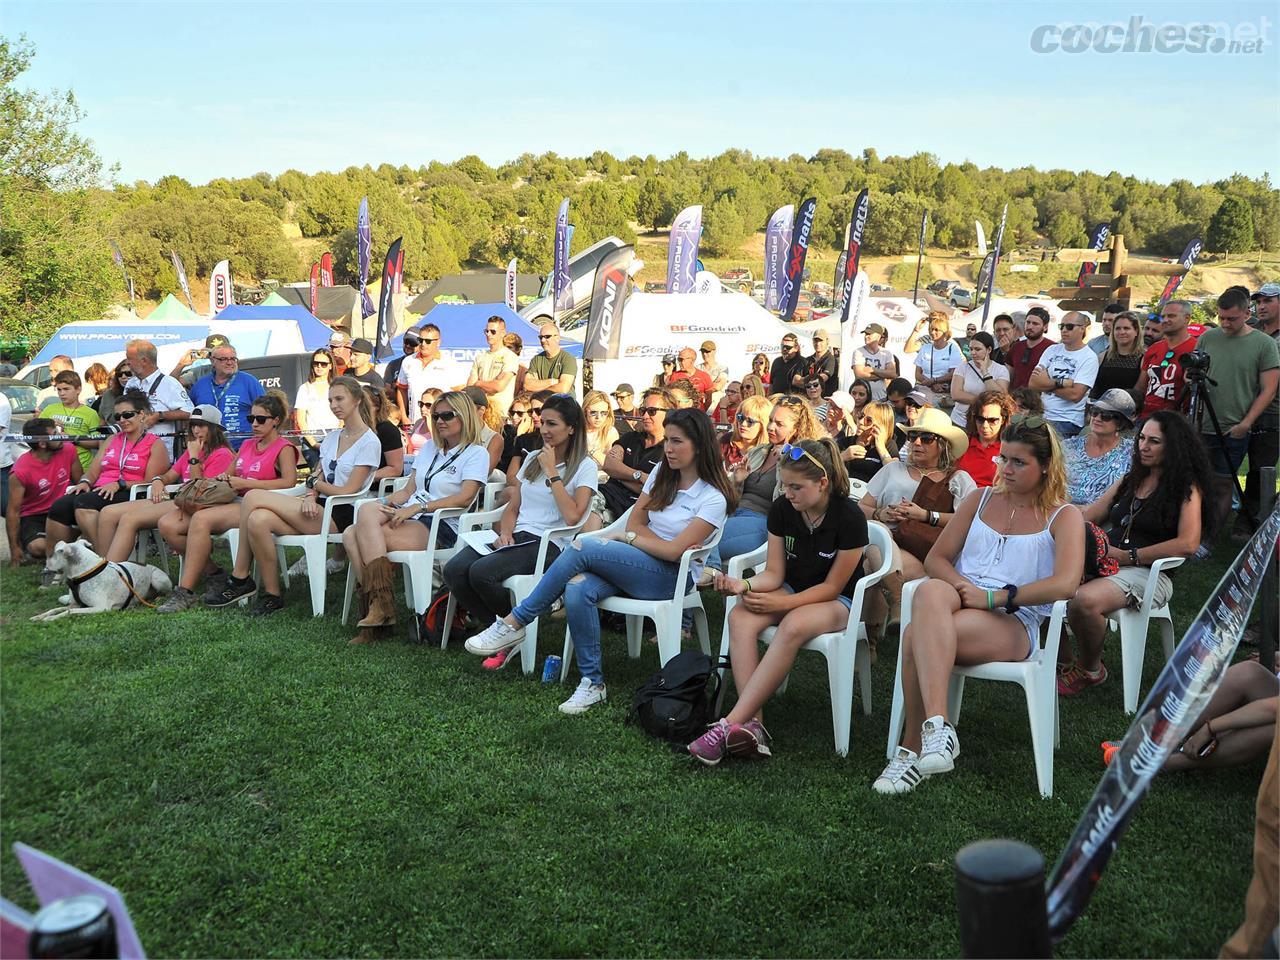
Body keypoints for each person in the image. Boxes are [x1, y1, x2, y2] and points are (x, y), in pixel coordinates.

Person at [464, 408, 733, 715]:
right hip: (640, 561)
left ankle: (516, 621)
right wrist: (640, 540)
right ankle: (593, 682)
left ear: (699, 445)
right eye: (667, 440)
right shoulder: (661, 474)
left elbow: (674, 553)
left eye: (677, 442)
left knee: (583, 547)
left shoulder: (713, 498)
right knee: (579, 588)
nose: (668, 449)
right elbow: (635, 523)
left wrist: (632, 540)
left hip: (672, 577)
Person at [873, 416, 1084, 794]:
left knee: (912, 638)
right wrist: (962, 585)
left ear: (1046, 466)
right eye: (1004, 459)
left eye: (1019, 462)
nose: (1006, 469)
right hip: (962, 599)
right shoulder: (980, 498)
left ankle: (911, 749)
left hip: (1014, 617)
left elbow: (1066, 584)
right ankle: (937, 728)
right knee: (929, 591)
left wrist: (997, 597)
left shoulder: (1064, 514)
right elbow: (938, 559)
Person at [689, 438, 869, 763]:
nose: (787, 493)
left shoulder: (849, 516)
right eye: (784, 485)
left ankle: (729, 723)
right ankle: (754, 726)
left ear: (823, 482)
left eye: (796, 487)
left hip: (839, 600)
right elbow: (773, 573)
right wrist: (741, 584)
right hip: (792, 587)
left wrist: (781, 605)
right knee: (741, 617)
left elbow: (831, 587)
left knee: (793, 624)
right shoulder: (784, 509)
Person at [1062, 410, 1211, 694]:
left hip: (1149, 574)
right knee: (1045, 583)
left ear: (1174, 447)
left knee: (1083, 601)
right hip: (1107, 564)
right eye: (1141, 438)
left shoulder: (1186, 488)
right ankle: (1065, 662)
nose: (1143, 446)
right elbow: (1089, 515)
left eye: (1154, 441)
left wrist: (1128, 557)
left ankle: (1091, 669)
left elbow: (1188, 544)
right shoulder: (1131, 480)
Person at [206, 376, 380, 616]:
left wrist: (315, 484)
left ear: (358, 400)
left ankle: (240, 577)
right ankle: (273, 595)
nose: (334, 405)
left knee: (254, 496)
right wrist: (310, 495)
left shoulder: (369, 441)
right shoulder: (331, 439)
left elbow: (347, 491)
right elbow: (315, 478)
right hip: (316, 507)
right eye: (330, 400)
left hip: (342, 514)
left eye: (339, 399)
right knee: (258, 520)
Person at [445, 393, 598, 656]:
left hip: (551, 544)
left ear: (572, 428)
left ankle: (509, 629)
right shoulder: (533, 457)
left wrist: (552, 473)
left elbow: (573, 517)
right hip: (518, 535)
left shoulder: (585, 466)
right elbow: (513, 507)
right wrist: (505, 532)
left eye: (553, 424)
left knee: (482, 573)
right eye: (543, 422)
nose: (544, 429)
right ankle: (504, 629)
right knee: (454, 569)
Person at [344, 390, 490, 642]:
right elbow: (410, 490)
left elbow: (465, 498)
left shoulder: (476, 453)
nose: (440, 420)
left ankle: (378, 614)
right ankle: (380, 608)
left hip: (441, 523)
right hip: (410, 515)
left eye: (447, 415)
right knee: (364, 513)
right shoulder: (430, 448)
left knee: (352, 535)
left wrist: (418, 508)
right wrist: (383, 503)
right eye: (436, 416)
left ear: (465, 416)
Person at [155, 393, 300, 612]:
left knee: (201, 519)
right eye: (251, 419)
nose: (255, 424)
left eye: (261, 419)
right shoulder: (248, 445)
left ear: (276, 421)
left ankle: (185, 592)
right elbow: (225, 475)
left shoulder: (284, 447)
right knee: (169, 522)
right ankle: (214, 574)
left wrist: (246, 482)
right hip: (236, 500)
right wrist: (223, 478)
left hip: (261, 505)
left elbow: (290, 482)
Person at [859, 407, 978, 634]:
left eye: (926, 438)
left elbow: (969, 523)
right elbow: (861, 508)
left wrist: (924, 515)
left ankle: (869, 639)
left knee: (873, 557)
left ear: (943, 445)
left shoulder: (959, 479)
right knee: (878, 538)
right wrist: (880, 514)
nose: (917, 443)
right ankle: (895, 604)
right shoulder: (893, 468)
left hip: (928, 553)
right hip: (890, 543)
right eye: (913, 437)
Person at [703, 395, 827, 581]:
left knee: (704, 534)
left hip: (765, 524)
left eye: (779, 424)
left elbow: (791, 507)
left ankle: (711, 569)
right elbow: (729, 499)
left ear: (796, 428)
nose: (770, 427)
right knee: (691, 528)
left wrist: (784, 466)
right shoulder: (758, 451)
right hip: (734, 513)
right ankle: (687, 597)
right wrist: (737, 482)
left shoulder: (801, 460)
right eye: (770, 420)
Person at [97, 404, 235, 565]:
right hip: (177, 499)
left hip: (196, 504)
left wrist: (194, 458)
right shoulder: (194, 449)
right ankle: (103, 568)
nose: (196, 430)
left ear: (214, 428)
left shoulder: (221, 453)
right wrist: (158, 481)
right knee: (108, 512)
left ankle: (112, 572)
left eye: (202, 425)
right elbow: (169, 476)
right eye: (193, 426)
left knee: (130, 519)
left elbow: (202, 493)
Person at [43, 389, 171, 563]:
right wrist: (85, 481)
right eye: (118, 417)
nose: (122, 420)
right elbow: (94, 471)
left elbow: (152, 481)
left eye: (127, 415)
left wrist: (120, 483)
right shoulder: (112, 439)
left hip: (131, 491)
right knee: (60, 506)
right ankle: (54, 564)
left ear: (142, 414)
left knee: (84, 503)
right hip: (101, 490)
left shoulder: (154, 444)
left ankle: (101, 560)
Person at [1197, 286, 1280, 537]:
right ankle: (1190, 531)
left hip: (1234, 426)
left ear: (1246, 314)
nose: (1224, 323)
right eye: (1221, 317)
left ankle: (1210, 538)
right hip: (1202, 424)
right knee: (1195, 482)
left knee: (1223, 482)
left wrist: (1246, 423)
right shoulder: (1208, 337)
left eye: (1231, 318)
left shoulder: (1264, 344)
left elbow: (1269, 389)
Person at [6, 418, 81, 568]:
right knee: (37, 547)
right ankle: (74, 542)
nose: (60, 435)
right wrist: (14, 548)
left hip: (63, 508)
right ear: (41, 443)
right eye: (55, 433)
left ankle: (71, 540)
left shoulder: (68, 449)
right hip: (35, 516)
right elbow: (13, 512)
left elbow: (81, 483)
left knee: (87, 517)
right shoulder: (20, 471)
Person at [599, 387, 671, 522]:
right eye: (643, 411)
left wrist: (619, 475)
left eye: (652, 411)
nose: (645, 416)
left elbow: (655, 491)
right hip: (607, 495)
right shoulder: (631, 437)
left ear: (668, 413)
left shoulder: (670, 449)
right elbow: (609, 465)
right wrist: (640, 476)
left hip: (638, 511)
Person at [1244, 282, 1280, 533]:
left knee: (1260, 469)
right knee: (1224, 468)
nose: (1261, 306)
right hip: (1239, 406)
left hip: (1273, 412)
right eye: (1259, 301)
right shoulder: (1251, 330)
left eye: (1268, 300)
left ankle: (1250, 521)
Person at [1028, 311, 1099, 437]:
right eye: (1062, 326)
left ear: (1082, 329)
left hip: (1067, 421)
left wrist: (1046, 382)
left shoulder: (1089, 357)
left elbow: (1075, 395)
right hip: (1042, 415)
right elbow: (1033, 384)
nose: (1064, 330)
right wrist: (1062, 383)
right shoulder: (1052, 350)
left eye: (1069, 327)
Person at [1063, 389, 1136, 505]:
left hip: (1100, 518)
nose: (1097, 418)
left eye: (1106, 416)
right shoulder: (1068, 446)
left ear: (1121, 423)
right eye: (1095, 411)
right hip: (1058, 511)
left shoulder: (1131, 452)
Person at [188, 342, 264, 448]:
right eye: (224, 359)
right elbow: (189, 415)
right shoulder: (200, 385)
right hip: (209, 448)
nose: (230, 363)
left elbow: (266, 412)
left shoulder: (249, 382)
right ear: (213, 361)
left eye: (233, 359)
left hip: (243, 448)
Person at [124, 340, 193, 452]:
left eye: (130, 359)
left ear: (144, 361)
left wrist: (159, 416)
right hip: (134, 449)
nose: (127, 363)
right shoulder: (131, 383)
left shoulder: (170, 383)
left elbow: (190, 412)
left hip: (162, 452)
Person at [1135, 299, 1199, 417]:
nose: (1165, 320)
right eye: (1163, 316)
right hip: (1146, 418)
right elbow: (1141, 387)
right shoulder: (1154, 348)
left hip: (1177, 421)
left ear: (1187, 318)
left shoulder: (1196, 349)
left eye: (1171, 316)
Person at [396, 324, 460, 423]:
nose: (423, 344)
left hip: (440, 422)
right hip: (415, 422)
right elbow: (401, 389)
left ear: (438, 342)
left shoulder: (450, 363)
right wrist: (404, 416)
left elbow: (459, 393)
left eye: (428, 341)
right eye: (420, 340)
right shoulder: (408, 361)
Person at [41, 370, 101, 471]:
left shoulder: (90, 413)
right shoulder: (49, 409)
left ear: (78, 389)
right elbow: (34, 433)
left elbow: (97, 442)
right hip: (54, 465)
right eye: (59, 390)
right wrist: (48, 424)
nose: (62, 393)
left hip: (82, 465)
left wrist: (73, 439)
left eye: (66, 389)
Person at [956, 390, 1016, 488]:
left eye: (992, 420)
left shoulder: (1010, 449)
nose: (985, 425)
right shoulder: (962, 443)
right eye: (980, 419)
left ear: (1003, 420)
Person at [949, 331, 1009, 428]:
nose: (973, 352)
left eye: (977, 349)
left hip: (985, 424)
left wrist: (985, 372)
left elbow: (1000, 396)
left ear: (989, 349)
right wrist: (984, 401)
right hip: (959, 421)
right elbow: (956, 394)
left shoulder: (1000, 370)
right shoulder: (963, 367)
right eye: (971, 349)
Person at [295, 349, 341, 467]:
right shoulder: (304, 388)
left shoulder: (337, 386)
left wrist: (336, 437)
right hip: (311, 437)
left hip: (334, 435)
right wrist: (314, 444)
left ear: (330, 366)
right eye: (316, 363)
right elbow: (301, 420)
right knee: (317, 474)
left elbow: (343, 416)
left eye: (323, 364)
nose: (319, 367)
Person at [467, 315, 520, 416]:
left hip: (500, 414)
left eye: (493, 331)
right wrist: (488, 384)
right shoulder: (480, 357)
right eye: (486, 331)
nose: (488, 334)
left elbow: (499, 386)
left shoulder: (510, 356)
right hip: (480, 413)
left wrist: (478, 383)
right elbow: (470, 388)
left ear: (503, 333)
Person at [841, 400, 902, 483]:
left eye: (868, 420)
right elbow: (825, 466)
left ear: (881, 426)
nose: (861, 422)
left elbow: (894, 475)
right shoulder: (847, 442)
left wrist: (881, 448)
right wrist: (843, 457)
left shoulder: (889, 445)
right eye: (860, 416)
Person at [910, 312, 964, 406]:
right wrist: (931, 383)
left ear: (944, 333)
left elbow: (954, 373)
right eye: (931, 329)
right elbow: (917, 373)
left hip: (944, 393)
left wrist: (935, 381)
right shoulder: (925, 347)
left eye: (936, 330)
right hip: (925, 391)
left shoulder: (953, 348)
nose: (932, 332)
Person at [1090, 310, 1145, 399]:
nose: (1121, 332)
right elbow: (1093, 388)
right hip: (1099, 409)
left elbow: (1139, 391)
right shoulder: (1102, 357)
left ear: (1136, 331)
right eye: (1118, 328)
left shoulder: (1143, 359)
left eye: (1126, 328)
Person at [1006, 306, 1056, 390]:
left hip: (1039, 399)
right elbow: (1008, 376)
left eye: (1035, 324)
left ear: (1045, 327)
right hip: (1016, 398)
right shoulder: (1016, 346)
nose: (1030, 327)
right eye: (1028, 322)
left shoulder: (1053, 349)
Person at [363, 385, 405, 484]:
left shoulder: (387, 430)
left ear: (376, 406)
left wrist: (360, 479)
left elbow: (395, 469)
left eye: (364, 404)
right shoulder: (353, 430)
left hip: (376, 490)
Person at [721, 395, 772, 472]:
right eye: (740, 417)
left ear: (763, 425)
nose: (743, 424)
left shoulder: (769, 452)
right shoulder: (727, 440)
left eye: (750, 421)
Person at [524, 323, 577, 394]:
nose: (543, 340)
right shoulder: (536, 360)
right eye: (541, 337)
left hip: (563, 402)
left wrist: (539, 387)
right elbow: (527, 385)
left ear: (557, 338)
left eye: (547, 336)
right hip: (541, 401)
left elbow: (563, 389)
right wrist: (552, 382)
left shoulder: (568, 359)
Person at [853, 323, 898, 400]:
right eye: (865, 334)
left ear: (878, 336)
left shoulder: (887, 353)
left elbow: (893, 374)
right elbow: (859, 375)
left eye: (869, 334)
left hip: (880, 397)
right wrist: (883, 375)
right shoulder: (858, 352)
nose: (866, 336)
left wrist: (872, 370)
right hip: (862, 398)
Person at [582, 390, 619, 466]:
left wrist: (591, 450)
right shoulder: (576, 430)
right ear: (585, 411)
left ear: (608, 412)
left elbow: (612, 465)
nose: (598, 417)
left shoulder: (611, 432)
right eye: (593, 412)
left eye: (603, 413)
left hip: (601, 475)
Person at [406, 388, 443, 458]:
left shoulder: (442, 424)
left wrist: (430, 426)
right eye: (421, 404)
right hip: (413, 462)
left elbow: (440, 447)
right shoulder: (419, 422)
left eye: (428, 405)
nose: (423, 408)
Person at [805, 331, 839, 397]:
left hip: (826, 400)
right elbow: (795, 381)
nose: (818, 343)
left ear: (827, 341)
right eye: (815, 341)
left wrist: (806, 380)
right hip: (809, 399)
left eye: (821, 341)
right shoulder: (807, 360)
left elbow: (822, 378)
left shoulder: (831, 359)